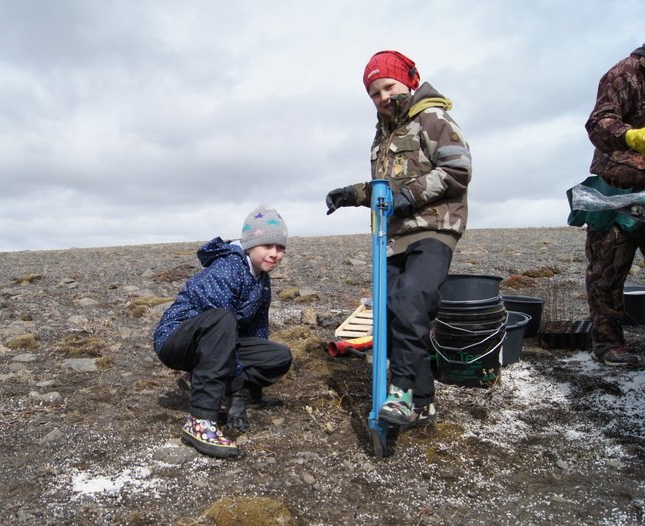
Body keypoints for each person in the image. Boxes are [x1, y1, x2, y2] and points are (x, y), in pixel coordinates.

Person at [325, 50, 471, 426]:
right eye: (374, 93)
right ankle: (422, 402)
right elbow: (385, 188)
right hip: (393, 236)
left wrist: (411, 196)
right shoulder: (382, 135)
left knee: (410, 301)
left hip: (434, 228)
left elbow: (458, 169)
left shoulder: (432, 118)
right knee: (392, 313)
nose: (383, 97)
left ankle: (401, 391)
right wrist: (352, 194)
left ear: (409, 79)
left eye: (388, 87)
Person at [152, 205, 292, 458]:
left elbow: (256, 328)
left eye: (280, 248)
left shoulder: (261, 277)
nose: (275, 254)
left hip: (215, 342)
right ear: (250, 245)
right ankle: (200, 421)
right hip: (177, 341)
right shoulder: (227, 268)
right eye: (267, 246)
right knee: (223, 319)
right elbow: (221, 324)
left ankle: (197, 380)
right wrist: (236, 390)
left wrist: (250, 392)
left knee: (278, 356)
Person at [576, 42, 645, 367]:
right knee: (606, 273)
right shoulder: (624, 74)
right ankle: (607, 345)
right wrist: (630, 136)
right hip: (617, 191)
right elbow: (599, 123)